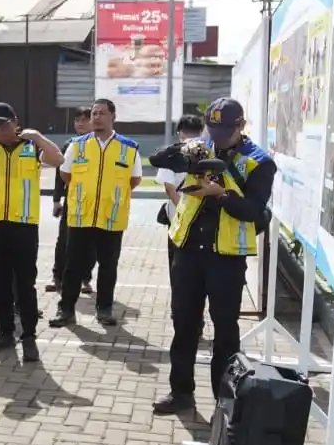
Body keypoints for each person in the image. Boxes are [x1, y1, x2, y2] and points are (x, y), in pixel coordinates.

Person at [151, 97, 276, 415]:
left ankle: (225, 400)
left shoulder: (258, 161)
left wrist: (220, 194)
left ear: (240, 126)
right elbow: (156, 159)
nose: (217, 136)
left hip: (226, 256)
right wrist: (186, 147)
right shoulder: (200, 147)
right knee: (184, 324)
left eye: (224, 130)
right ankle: (180, 392)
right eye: (212, 128)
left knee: (225, 331)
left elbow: (254, 210)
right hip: (189, 250)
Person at [0, 102, 63, 361]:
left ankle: (28, 336)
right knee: (2, 283)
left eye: (2, 124)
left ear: (15, 121)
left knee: (26, 283)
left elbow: (58, 159)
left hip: (23, 226)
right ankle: (6, 332)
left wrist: (38, 137)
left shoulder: (31, 148)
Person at [51, 99, 142, 328]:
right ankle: (67, 310)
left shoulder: (129, 147)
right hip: (81, 215)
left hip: (111, 217)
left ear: (113, 116)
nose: (96, 117)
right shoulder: (77, 145)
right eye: (94, 113)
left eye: (102, 113)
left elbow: (134, 179)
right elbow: (66, 174)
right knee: (73, 266)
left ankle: (104, 309)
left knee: (108, 266)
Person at [48, 107, 95, 294]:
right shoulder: (69, 145)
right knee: (64, 240)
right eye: (77, 120)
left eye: (84, 119)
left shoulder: (99, 145)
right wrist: (56, 200)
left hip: (93, 201)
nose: (80, 124)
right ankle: (57, 277)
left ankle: (85, 278)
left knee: (90, 242)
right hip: (72, 200)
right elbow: (60, 175)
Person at [155, 113, 206, 270]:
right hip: (204, 220)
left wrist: (185, 212)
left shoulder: (170, 155)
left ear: (180, 133)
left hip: (178, 220)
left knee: (178, 267)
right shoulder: (208, 152)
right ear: (201, 131)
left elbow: (170, 191)